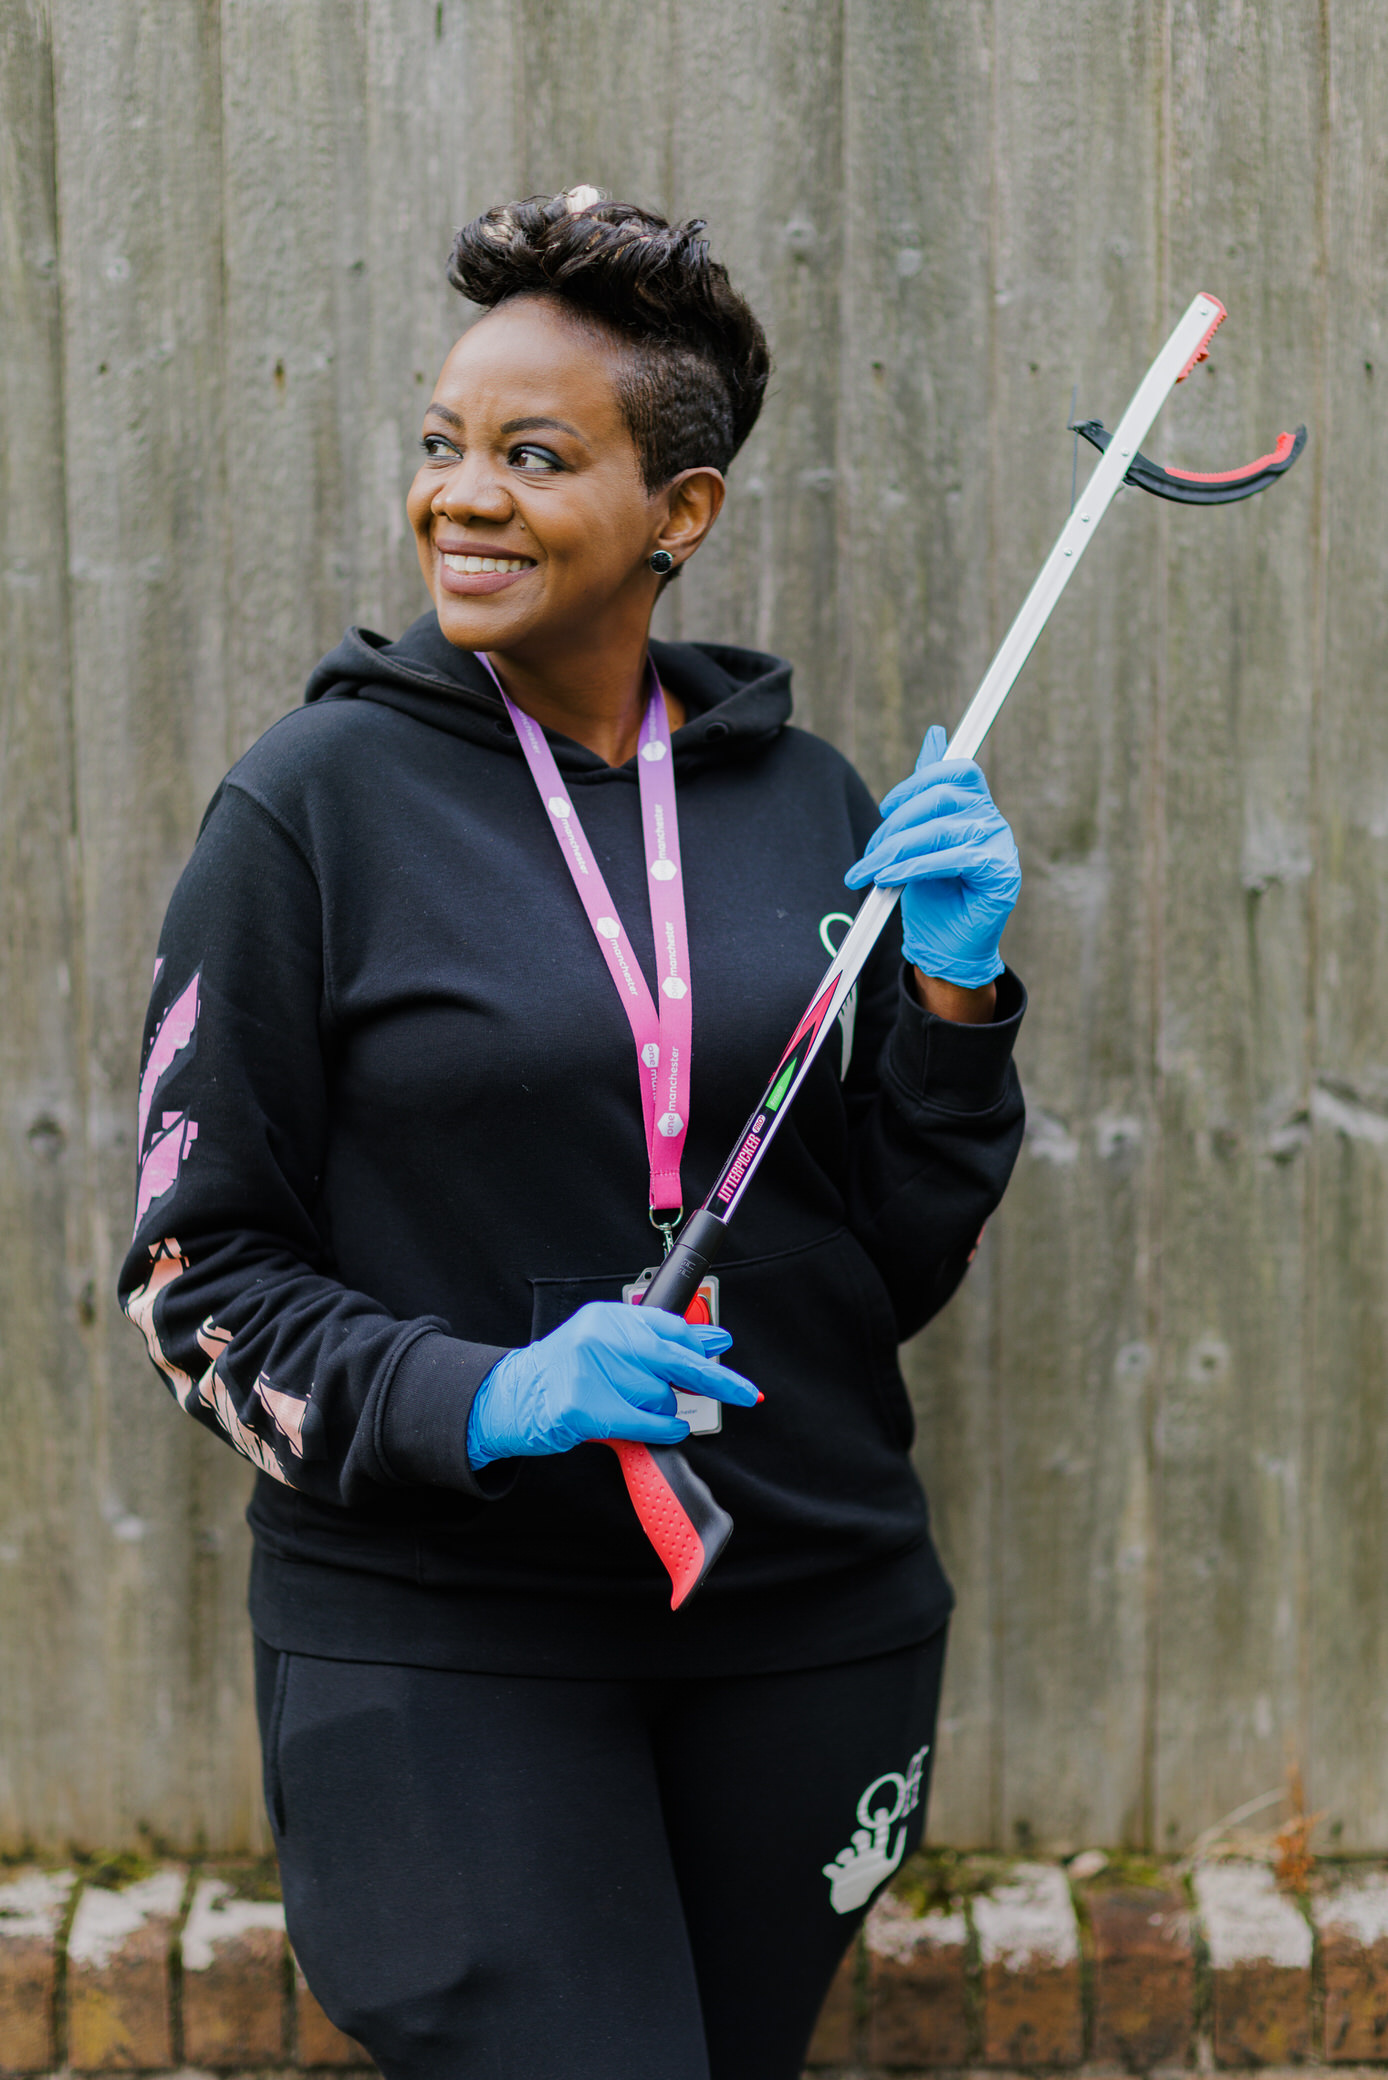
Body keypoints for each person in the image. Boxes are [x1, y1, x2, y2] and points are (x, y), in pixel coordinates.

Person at [120, 188, 1026, 2080]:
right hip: (447, 1632)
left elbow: (887, 1256)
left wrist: (952, 998)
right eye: (443, 446)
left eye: (535, 455)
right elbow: (194, 1281)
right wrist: (485, 1395)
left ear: (678, 514)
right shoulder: (308, 812)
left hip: (805, 1610)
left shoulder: (804, 803)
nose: (462, 494)